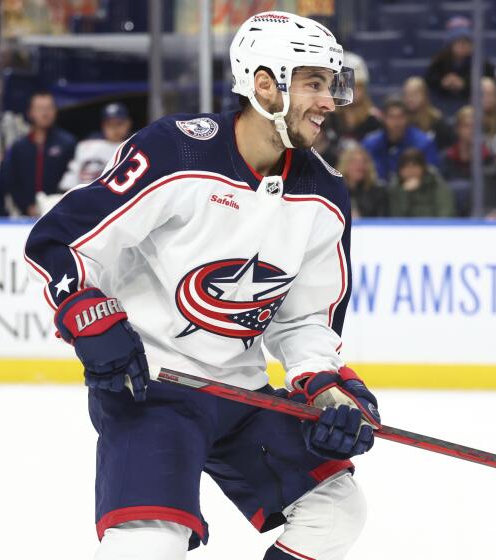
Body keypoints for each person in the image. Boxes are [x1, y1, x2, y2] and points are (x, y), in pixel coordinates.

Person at [24, 12, 380, 559]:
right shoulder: (177, 152)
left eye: (331, 86)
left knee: (337, 510)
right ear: (265, 84)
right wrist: (88, 314)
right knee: (148, 544)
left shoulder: (326, 193)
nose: (329, 101)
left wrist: (329, 392)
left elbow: (306, 321)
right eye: (314, 83)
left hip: (240, 393)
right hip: (151, 389)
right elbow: (62, 241)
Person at [0, 90, 75, 216]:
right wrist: (26, 206)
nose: (45, 113)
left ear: (55, 110)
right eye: (40, 108)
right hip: (24, 215)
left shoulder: (67, 143)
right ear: (30, 112)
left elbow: (73, 178)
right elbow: (10, 180)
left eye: (49, 108)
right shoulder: (19, 147)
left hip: (59, 213)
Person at [59, 103, 133, 192]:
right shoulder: (87, 146)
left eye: (119, 123)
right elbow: (69, 180)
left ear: (128, 123)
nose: (114, 128)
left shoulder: (134, 147)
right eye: (109, 124)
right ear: (103, 125)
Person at [362, 97, 440, 181]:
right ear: (384, 118)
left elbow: (432, 177)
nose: (396, 122)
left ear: (407, 118)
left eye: (400, 117)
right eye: (391, 117)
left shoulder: (423, 143)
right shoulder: (370, 143)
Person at [425, 16, 495, 101]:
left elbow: (489, 79)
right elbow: (429, 79)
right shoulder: (439, 60)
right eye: (459, 42)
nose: (464, 46)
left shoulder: (481, 63)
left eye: (467, 42)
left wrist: (465, 84)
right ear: (450, 45)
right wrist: (442, 82)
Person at [387, 148, 455, 217]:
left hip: (433, 226)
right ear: (400, 171)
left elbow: (445, 215)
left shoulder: (437, 186)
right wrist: (403, 192)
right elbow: (396, 218)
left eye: (414, 166)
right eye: (405, 167)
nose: (410, 171)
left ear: (423, 168)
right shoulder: (395, 188)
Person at [440, 105, 492, 181]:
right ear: (457, 129)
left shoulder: (488, 157)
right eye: (466, 126)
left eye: (476, 126)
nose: (472, 130)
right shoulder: (446, 159)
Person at [402, 76, 454, 150]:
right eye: (406, 94)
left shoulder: (437, 121)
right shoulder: (400, 122)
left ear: (424, 95)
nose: (410, 98)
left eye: (414, 94)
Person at [338, 143, 388, 218]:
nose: (360, 165)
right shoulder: (335, 193)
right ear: (345, 165)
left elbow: (382, 222)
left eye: (364, 161)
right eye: (354, 161)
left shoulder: (379, 192)